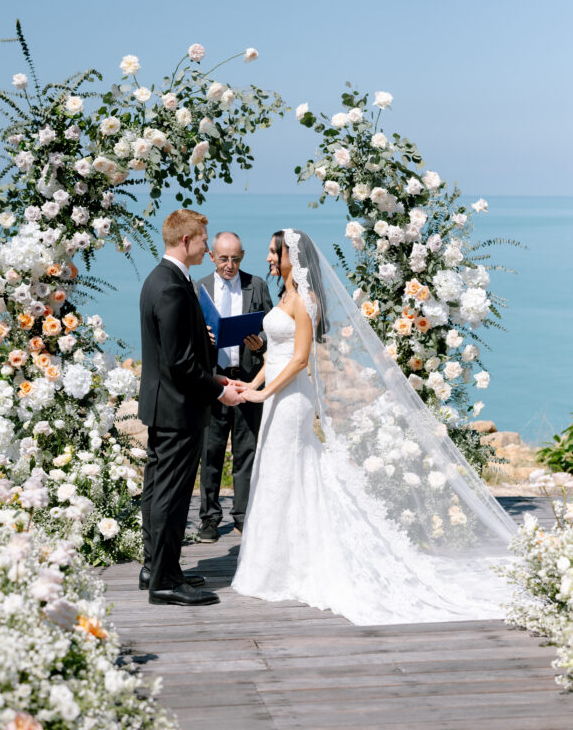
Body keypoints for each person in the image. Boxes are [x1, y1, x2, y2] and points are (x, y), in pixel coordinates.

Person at [231, 229, 517, 625]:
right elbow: (275, 356)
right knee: (277, 471)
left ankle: (292, 563)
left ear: (290, 257)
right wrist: (253, 385)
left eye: (272, 251)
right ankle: (275, 561)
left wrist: (263, 396)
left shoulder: (306, 300)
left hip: (293, 399)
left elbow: (298, 361)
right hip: (276, 393)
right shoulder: (283, 296)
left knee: (286, 470)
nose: (266, 257)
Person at [138, 208, 244, 607]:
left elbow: (175, 351)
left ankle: (157, 566)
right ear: (186, 241)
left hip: (164, 404)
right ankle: (164, 580)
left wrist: (209, 363)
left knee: (157, 491)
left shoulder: (162, 279)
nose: (206, 245)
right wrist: (220, 392)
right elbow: (180, 363)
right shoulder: (170, 286)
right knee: (171, 496)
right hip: (177, 409)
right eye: (203, 239)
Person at [196, 231, 273, 541]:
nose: (230, 265)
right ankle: (209, 518)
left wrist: (259, 343)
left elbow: (270, 327)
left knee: (247, 450)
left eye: (236, 258)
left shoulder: (257, 285)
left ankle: (243, 515)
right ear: (212, 257)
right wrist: (203, 335)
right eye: (224, 259)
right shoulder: (199, 286)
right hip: (214, 380)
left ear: (243, 256)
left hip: (247, 378)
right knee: (211, 452)